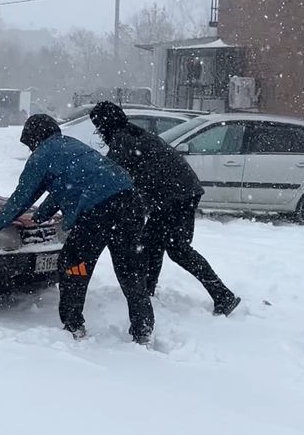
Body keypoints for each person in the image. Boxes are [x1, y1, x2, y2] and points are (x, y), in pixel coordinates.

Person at [0, 114, 154, 344]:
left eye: (29, 143)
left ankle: (73, 325)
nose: (30, 149)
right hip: (130, 202)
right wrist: (40, 216)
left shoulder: (42, 155)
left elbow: (23, 196)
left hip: (98, 211)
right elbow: (65, 186)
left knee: (74, 265)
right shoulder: (71, 145)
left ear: (35, 138)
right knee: (129, 269)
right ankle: (143, 327)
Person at [89, 101, 241, 316]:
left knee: (178, 249)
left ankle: (223, 295)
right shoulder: (130, 132)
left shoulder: (122, 139)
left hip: (176, 196)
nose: (98, 131)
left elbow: (109, 174)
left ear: (104, 124)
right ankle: (148, 291)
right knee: (151, 243)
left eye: (97, 126)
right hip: (175, 194)